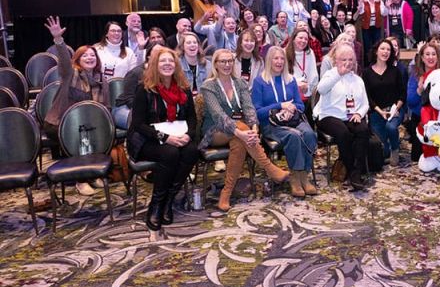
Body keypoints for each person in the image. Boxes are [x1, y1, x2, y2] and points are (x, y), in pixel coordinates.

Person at [200, 49, 290, 210]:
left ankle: (226, 193)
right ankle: (270, 169)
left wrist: (254, 128)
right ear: (215, 64)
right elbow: (218, 115)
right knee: (241, 131)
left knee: (239, 142)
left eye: (230, 61)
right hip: (214, 130)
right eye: (223, 61)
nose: (227, 65)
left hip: (239, 133)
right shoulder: (209, 86)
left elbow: (249, 108)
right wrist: (241, 131)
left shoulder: (240, 83)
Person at [128, 47, 199, 232]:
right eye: (162, 61)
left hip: (177, 135)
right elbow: (138, 124)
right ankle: (156, 204)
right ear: (154, 65)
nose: (167, 64)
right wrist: (165, 138)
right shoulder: (144, 89)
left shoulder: (183, 88)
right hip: (147, 140)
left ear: (176, 65)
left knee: (192, 150)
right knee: (170, 153)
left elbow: (192, 118)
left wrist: (188, 135)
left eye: (171, 61)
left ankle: (168, 200)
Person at [43, 16, 111, 196]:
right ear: (78, 60)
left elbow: (105, 107)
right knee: (78, 136)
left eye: (92, 55)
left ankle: (93, 170)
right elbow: (64, 61)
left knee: (97, 132)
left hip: (87, 124)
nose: (90, 57)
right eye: (85, 55)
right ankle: (81, 179)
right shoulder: (70, 74)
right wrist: (58, 40)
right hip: (59, 123)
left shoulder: (101, 80)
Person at [251, 47, 317, 198]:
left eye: (282, 58)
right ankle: (295, 178)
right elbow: (258, 111)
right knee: (294, 137)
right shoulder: (260, 82)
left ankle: (304, 176)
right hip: (271, 124)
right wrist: (280, 106)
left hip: (292, 120)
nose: (279, 62)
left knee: (308, 133)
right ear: (269, 61)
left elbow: (300, 105)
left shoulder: (291, 80)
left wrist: (291, 108)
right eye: (275, 58)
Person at [314, 45, 371, 191]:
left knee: (363, 130)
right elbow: (321, 89)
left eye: (350, 59)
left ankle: (357, 171)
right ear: (336, 60)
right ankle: (351, 170)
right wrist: (338, 74)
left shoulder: (358, 79)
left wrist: (359, 114)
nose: (347, 62)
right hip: (328, 115)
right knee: (343, 133)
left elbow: (365, 103)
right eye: (343, 59)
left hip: (350, 115)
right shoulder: (331, 75)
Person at [363, 39, 406, 165]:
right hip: (377, 112)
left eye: (388, 49)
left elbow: (403, 94)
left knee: (391, 127)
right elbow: (367, 97)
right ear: (376, 51)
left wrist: (396, 109)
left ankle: (395, 149)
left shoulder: (395, 71)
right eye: (382, 48)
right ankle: (388, 148)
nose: (385, 52)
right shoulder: (366, 73)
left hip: (395, 110)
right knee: (383, 151)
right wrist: (380, 111)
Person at [407, 42, 440, 165]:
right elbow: (410, 102)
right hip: (420, 118)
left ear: (438, 56)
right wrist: (419, 91)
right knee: (417, 157)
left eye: (433, 54)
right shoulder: (415, 75)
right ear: (422, 57)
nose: (431, 57)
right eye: (427, 54)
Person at [285, 27, 319, 122]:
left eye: (306, 39)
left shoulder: (310, 53)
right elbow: (283, 75)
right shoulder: (284, 52)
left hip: (307, 92)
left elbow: (314, 75)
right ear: (294, 38)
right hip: (290, 93)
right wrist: (297, 84)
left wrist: (308, 87)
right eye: (300, 38)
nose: (303, 41)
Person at [358, 0, 386, 65]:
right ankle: (368, 65)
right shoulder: (364, 2)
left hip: (376, 27)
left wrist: (386, 7)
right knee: (367, 47)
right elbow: (360, 12)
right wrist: (360, 2)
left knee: (377, 46)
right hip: (366, 28)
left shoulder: (379, 1)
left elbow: (384, 13)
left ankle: (376, 63)